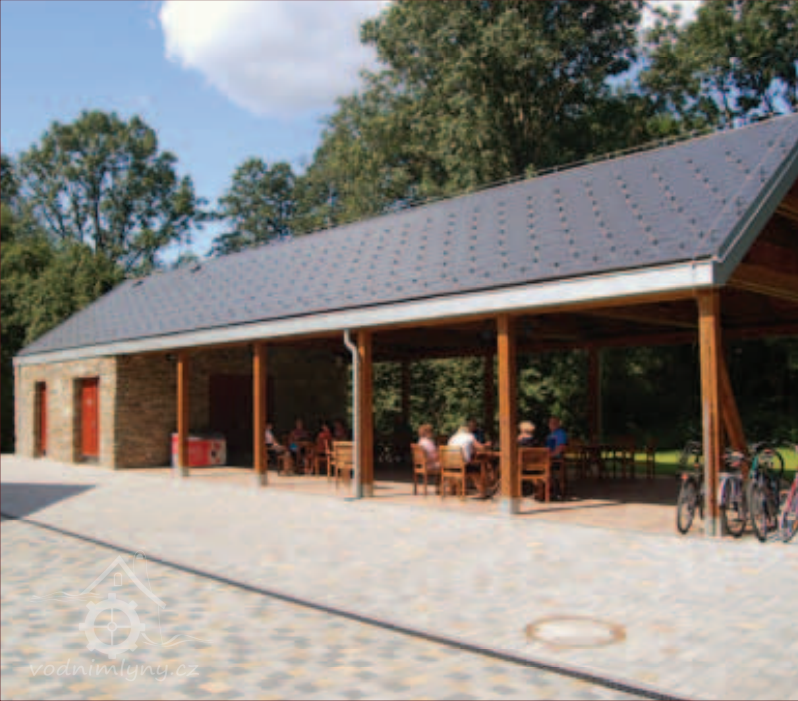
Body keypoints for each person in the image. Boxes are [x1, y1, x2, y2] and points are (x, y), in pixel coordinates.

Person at [448, 424, 491, 494]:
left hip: (449, 466)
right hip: (462, 465)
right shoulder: (469, 436)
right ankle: (483, 491)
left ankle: (453, 489)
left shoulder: (452, 438)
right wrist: (486, 445)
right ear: (468, 432)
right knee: (477, 469)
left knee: (471, 466)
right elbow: (480, 447)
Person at [546, 416, 568, 499]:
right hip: (548, 458)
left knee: (541, 466)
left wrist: (550, 455)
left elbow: (561, 447)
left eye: (554, 422)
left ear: (558, 424)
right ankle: (544, 489)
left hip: (556, 459)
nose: (552, 424)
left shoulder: (560, 433)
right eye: (550, 423)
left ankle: (553, 490)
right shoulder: (550, 435)